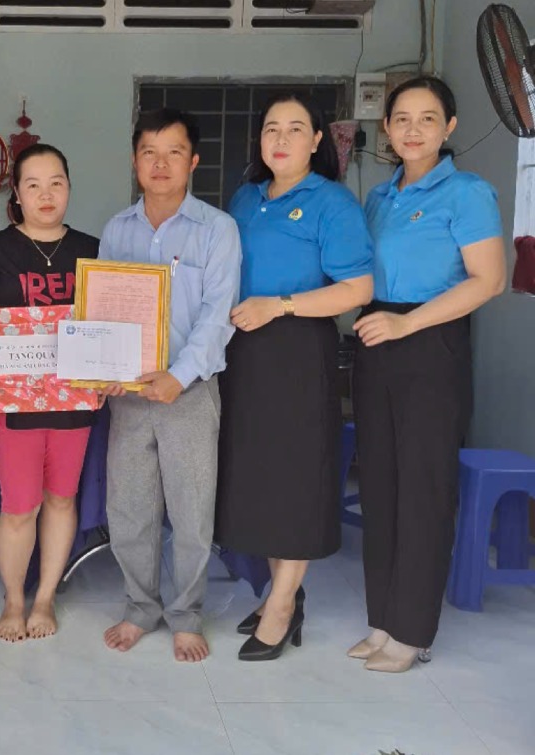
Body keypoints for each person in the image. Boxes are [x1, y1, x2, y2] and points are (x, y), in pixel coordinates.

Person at [350, 76, 505, 672]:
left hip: (429, 344)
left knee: (423, 489)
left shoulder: (467, 193)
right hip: (376, 341)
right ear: (385, 129)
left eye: (428, 118)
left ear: (450, 127)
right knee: (381, 485)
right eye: (402, 119)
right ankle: (383, 621)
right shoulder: (378, 198)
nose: (413, 130)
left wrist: (407, 326)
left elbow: (487, 281)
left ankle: (412, 632)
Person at [214, 93, 374, 661]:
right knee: (259, 476)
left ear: (315, 141)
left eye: (295, 129)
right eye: (270, 129)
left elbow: (357, 290)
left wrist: (278, 305)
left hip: (297, 349)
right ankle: (281, 591)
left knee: (297, 475)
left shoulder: (333, 203)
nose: (280, 138)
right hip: (243, 353)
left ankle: (281, 605)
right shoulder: (245, 199)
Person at [99, 108, 241, 662]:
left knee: (190, 510)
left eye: (174, 153)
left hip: (189, 393)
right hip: (131, 395)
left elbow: (218, 314)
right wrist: (106, 369)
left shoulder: (217, 229)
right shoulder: (118, 229)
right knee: (130, 509)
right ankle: (140, 608)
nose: (161, 165)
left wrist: (178, 377)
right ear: (135, 161)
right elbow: (106, 308)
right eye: (149, 153)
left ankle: (185, 615)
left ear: (193, 162)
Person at [0, 144, 98, 642]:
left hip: (75, 401)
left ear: (69, 188)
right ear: (16, 192)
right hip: (13, 405)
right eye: (33, 184)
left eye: (56, 182)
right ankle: (14, 600)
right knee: (20, 506)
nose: (45, 194)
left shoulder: (91, 251)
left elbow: (114, 318)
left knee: (61, 499)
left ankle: (45, 598)